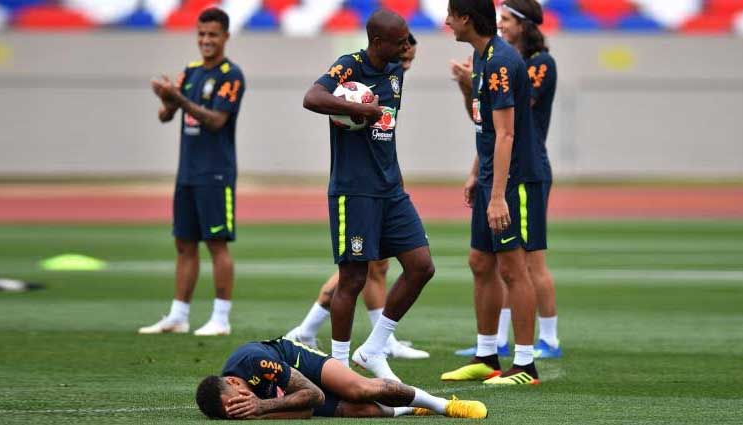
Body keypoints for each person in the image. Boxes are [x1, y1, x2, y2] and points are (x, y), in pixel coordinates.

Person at [302, 9, 435, 382]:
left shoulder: (395, 71)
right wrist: (357, 109)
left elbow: (386, 132)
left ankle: (374, 348)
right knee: (353, 279)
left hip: (391, 190)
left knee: (421, 266)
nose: (406, 47)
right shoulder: (350, 66)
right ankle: (339, 368)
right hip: (354, 190)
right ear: (377, 42)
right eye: (400, 41)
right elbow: (312, 97)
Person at [440, 0, 548, 385]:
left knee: (513, 268)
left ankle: (525, 365)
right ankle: (487, 356)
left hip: (514, 180)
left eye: (451, 14)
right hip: (491, 176)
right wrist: (476, 173)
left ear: (467, 19)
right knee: (480, 262)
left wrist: (499, 195)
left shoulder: (501, 62)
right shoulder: (482, 58)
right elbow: (483, 124)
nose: (446, 21)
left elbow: (506, 134)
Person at [139, 7, 245, 336]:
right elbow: (165, 116)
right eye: (201, 34)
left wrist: (178, 99)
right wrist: (166, 97)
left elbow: (216, 121)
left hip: (215, 172)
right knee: (184, 243)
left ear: (225, 36)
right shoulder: (191, 71)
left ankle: (221, 319)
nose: (206, 40)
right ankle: (178, 315)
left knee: (216, 243)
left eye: (212, 34)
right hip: (187, 171)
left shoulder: (231, 75)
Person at [195, 337, 488, 419]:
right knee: (358, 410)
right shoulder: (243, 403)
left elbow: (315, 395)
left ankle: (444, 405)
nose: (243, 405)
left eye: (239, 401)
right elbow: (306, 411)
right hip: (292, 390)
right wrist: (258, 412)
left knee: (360, 390)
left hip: (296, 360)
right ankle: (412, 407)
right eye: (236, 412)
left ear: (233, 382)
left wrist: (262, 407)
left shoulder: (254, 362)